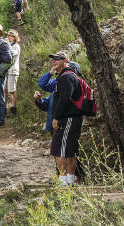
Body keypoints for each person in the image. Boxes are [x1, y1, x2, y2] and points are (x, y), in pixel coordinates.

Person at [34, 60, 86, 182]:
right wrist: (39, 100)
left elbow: (64, 103)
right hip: (56, 125)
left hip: (63, 123)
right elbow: (44, 92)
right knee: (61, 152)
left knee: (67, 152)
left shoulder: (69, 83)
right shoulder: (57, 87)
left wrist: (57, 118)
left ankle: (69, 180)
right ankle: (66, 178)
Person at [47, 51, 84, 186]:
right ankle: (69, 180)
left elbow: (65, 99)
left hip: (67, 118)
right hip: (72, 118)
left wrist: (56, 117)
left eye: (57, 59)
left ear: (65, 61)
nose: (54, 61)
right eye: (53, 60)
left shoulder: (66, 77)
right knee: (68, 151)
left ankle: (63, 182)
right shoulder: (67, 76)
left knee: (58, 149)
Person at [5, 30, 20, 116]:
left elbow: (12, 54)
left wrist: (7, 45)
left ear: (14, 37)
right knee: (5, 90)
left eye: (11, 35)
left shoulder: (16, 46)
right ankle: (5, 108)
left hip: (13, 71)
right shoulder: (9, 45)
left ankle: (13, 108)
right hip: (6, 71)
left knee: (12, 90)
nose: (8, 37)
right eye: (8, 35)